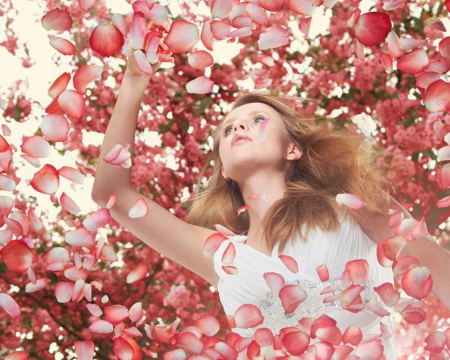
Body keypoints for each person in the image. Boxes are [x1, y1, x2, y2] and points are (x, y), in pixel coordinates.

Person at [91, 56, 450, 357]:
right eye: (228, 130)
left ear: (292, 149)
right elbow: (112, 194)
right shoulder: (223, 257)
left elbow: (437, 266)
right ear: (225, 170)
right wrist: (134, 78)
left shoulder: (354, 204)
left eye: (257, 119)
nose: (239, 127)